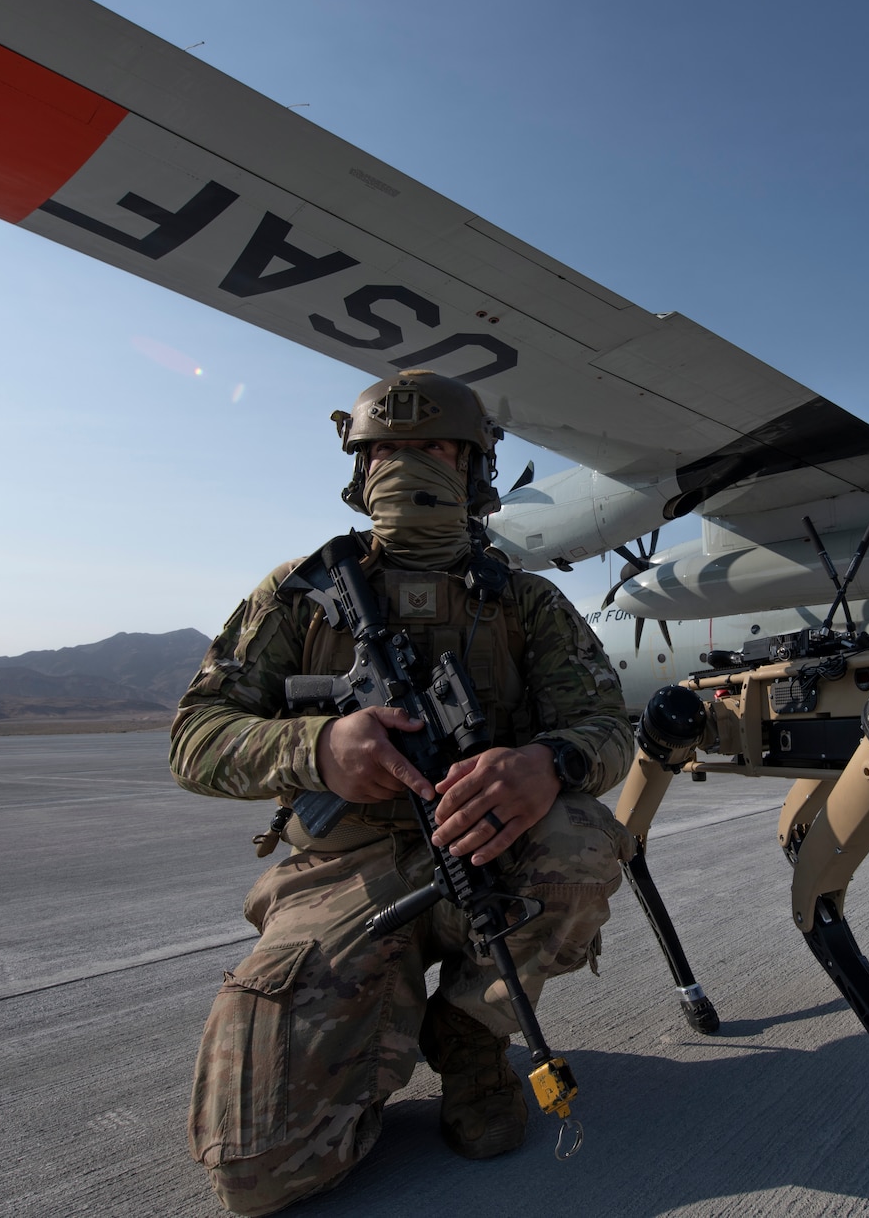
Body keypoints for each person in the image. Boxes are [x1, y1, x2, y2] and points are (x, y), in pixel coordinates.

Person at [169, 370, 634, 1215]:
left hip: (483, 846)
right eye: (386, 448)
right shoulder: (300, 594)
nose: (407, 465)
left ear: (473, 469)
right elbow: (195, 737)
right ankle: (368, 1031)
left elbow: (608, 730)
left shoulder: (527, 604)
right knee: (257, 1172)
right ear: (359, 466)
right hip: (342, 867)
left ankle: (467, 1036)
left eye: (433, 447)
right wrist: (317, 747)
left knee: (581, 842)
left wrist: (547, 763)